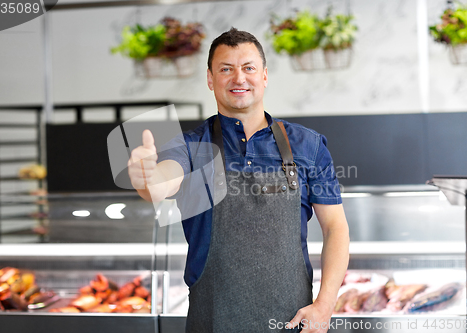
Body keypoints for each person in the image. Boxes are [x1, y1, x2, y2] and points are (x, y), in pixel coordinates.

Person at [128, 28, 349, 333]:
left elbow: (335, 227)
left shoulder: (307, 146)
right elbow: (164, 180)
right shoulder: (190, 146)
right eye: (226, 69)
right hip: (212, 321)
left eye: (248, 68)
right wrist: (147, 176)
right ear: (210, 79)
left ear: (265, 75)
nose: (239, 78)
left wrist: (325, 305)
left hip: (291, 321)